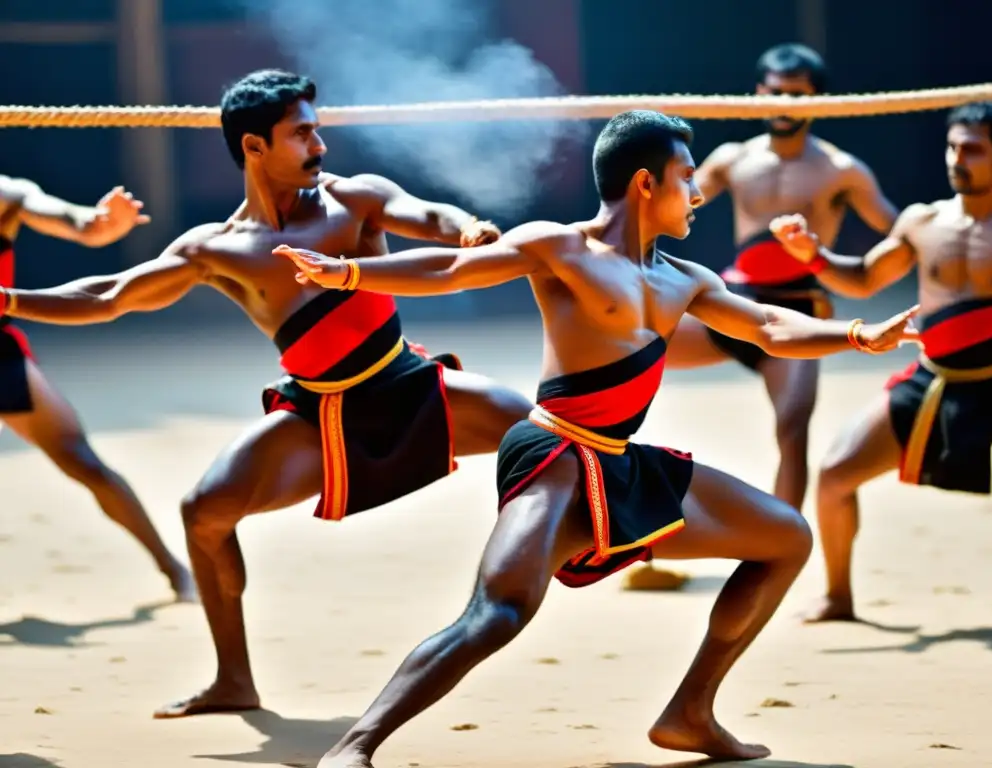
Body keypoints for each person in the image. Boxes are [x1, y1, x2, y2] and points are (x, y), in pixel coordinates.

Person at [274, 109, 917, 766]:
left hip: (620, 462)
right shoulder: (562, 246)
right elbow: (450, 271)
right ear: (645, 183)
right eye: (686, 178)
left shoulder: (686, 278)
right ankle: (353, 748)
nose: (697, 194)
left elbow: (770, 328)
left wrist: (859, 336)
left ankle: (690, 713)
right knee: (497, 613)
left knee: (785, 537)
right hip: (553, 454)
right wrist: (349, 274)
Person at [0, 69, 533, 718]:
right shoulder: (216, 249)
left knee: (547, 438)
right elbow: (106, 296)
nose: (320, 145)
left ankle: (638, 541)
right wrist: (6, 300)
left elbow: (429, 215)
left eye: (318, 129)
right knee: (205, 512)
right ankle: (234, 681)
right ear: (255, 147)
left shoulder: (356, 199)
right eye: (302, 133)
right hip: (317, 414)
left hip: (410, 388)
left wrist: (466, 228)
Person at [770, 100, 992, 622]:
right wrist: (813, 256)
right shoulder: (921, 220)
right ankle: (838, 596)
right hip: (936, 379)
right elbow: (863, 278)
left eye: (972, 149)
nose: (957, 158)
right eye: (952, 146)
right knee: (836, 473)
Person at [664, 43, 899, 512]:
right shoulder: (733, 158)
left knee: (793, 428)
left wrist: (827, 258)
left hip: (798, 310)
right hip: (733, 304)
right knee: (631, 349)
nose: (783, 106)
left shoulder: (840, 170)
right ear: (757, 93)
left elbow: (900, 234)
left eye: (796, 96)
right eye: (775, 94)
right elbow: (675, 204)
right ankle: (627, 509)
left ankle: (778, 550)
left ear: (817, 100)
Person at [0, 177, 194, 600]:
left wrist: (100, 222)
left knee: (82, 461)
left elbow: (75, 221)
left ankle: (174, 570)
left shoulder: (5, 195)